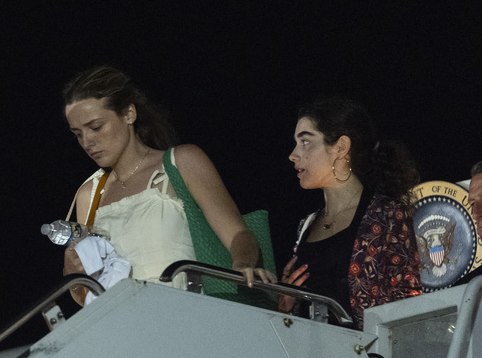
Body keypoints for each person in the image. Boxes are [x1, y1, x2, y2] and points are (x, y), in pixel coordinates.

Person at [61, 65, 273, 303]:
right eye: (77, 133)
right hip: (120, 325)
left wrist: (243, 264)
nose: (87, 141)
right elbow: (88, 296)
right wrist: (74, 276)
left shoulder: (181, 162)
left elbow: (238, 233)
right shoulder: (89, 194)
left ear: (129, 114)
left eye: (96, 127)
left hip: (181, 314)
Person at [279, 97, 422, 329]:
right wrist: (286, 303)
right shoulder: (305, 225)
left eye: (305, 142)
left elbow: (408, 305)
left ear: (341, 147)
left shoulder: (387, 214)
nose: (293, 154)